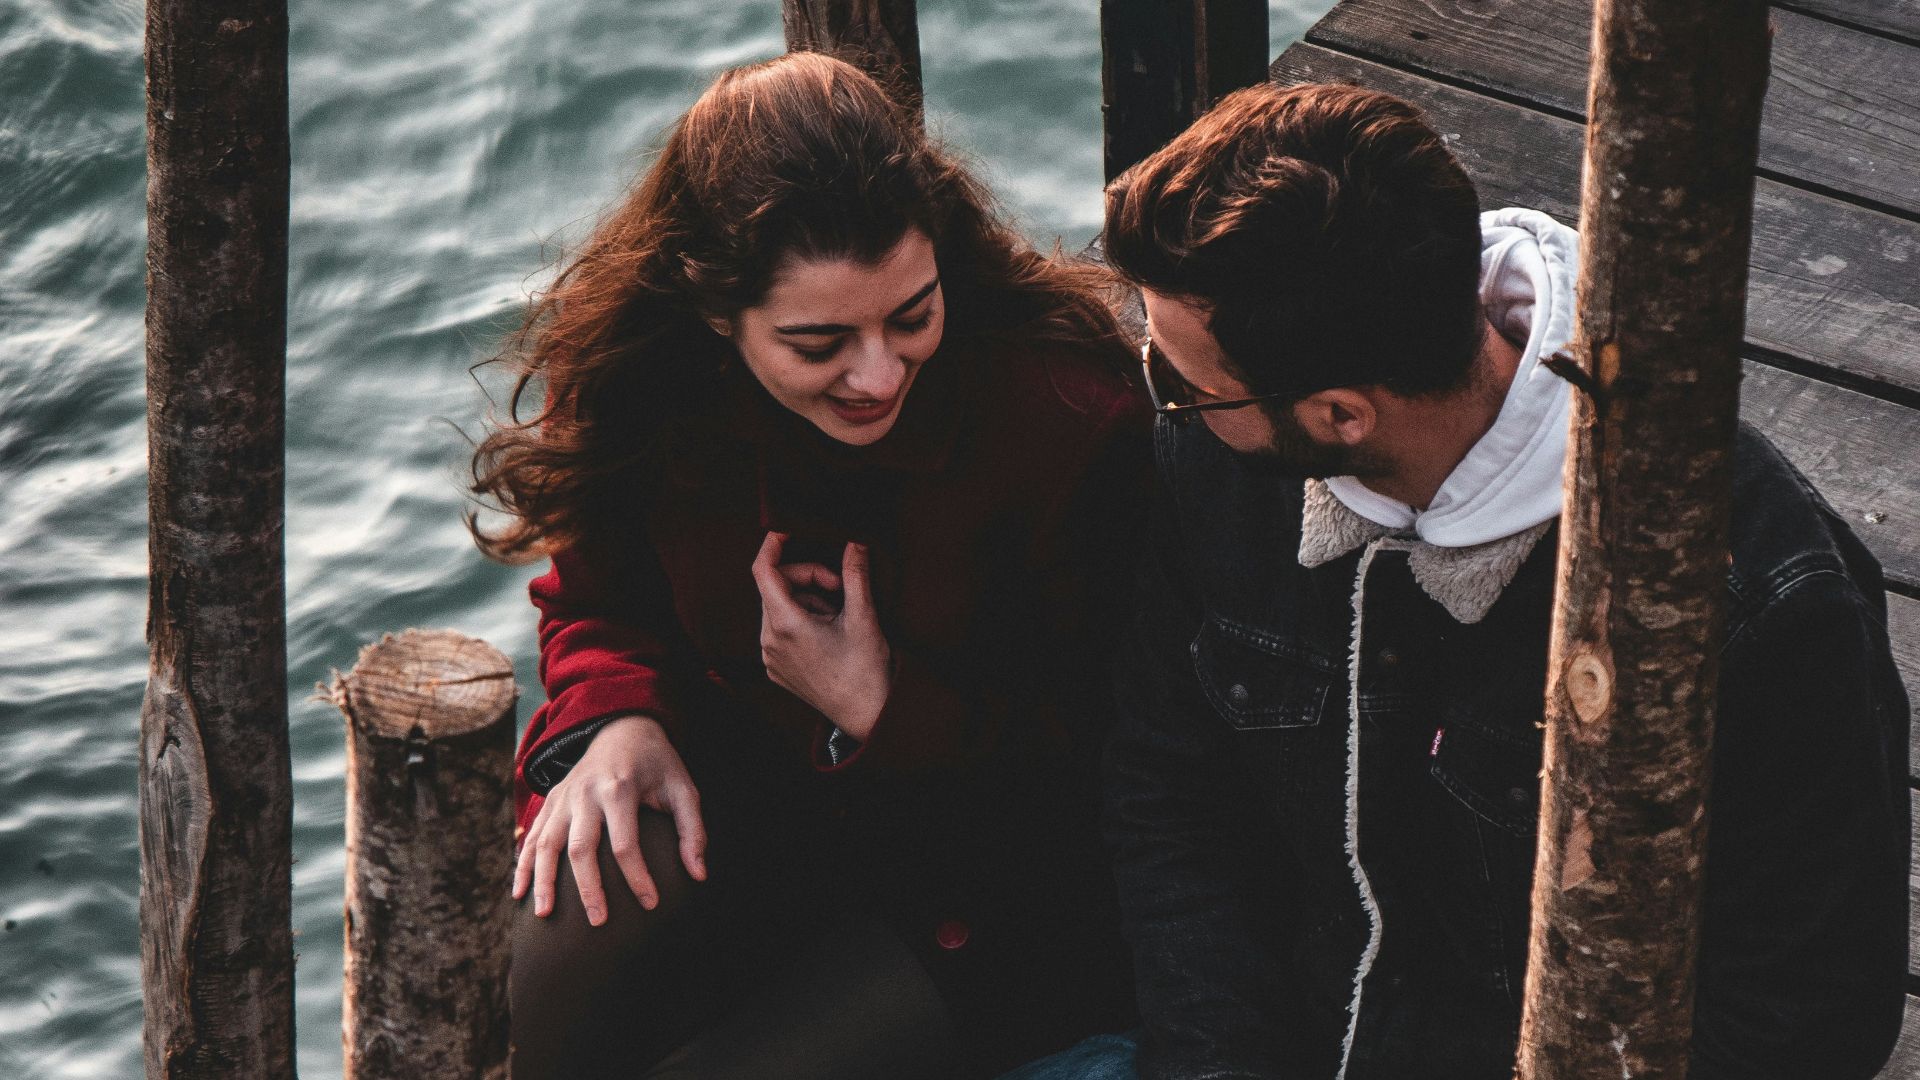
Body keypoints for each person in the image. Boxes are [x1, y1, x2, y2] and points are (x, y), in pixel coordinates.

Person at [1036, 81, 1909, 1078]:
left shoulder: (1761, 601)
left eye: (1182, 384)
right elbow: (1170, 788)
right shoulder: (1223, 460)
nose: (1163, 391)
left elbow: (1805, 1015)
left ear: (1341, 417)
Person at [469, 52, 1145, 1080]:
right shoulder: (631, 379)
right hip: (741, 808)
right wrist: (614, 718)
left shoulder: (1063, 417)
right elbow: (594, 605)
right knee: (496, 1026)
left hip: (977, 886)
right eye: (819, 341)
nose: (877, 374)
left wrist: (883, 707)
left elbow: (1125, 764)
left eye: (912, 315)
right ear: (714, 311)